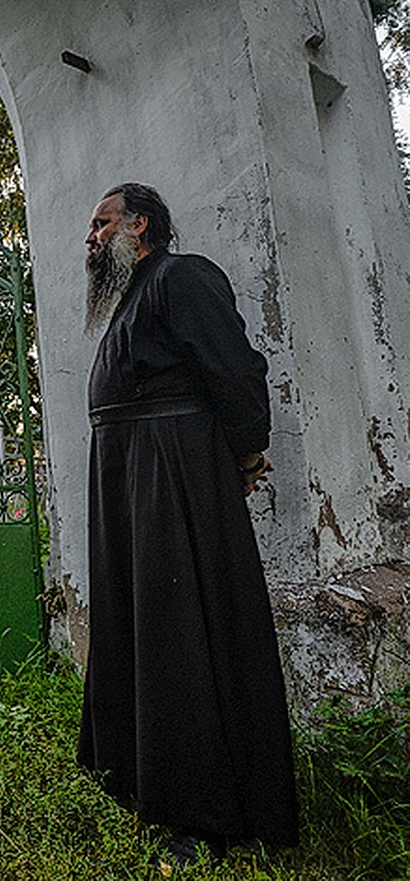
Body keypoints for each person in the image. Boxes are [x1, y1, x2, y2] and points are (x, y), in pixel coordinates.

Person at [76, 183, 299, 867]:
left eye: (102, 223)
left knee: (181, 638)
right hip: (131, 477)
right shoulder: (132, 297)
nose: (90, 237)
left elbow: (233, 368)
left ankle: (205, 819)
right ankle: (147, 782)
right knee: (144, 630)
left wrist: (242, 451)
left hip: (171, 476)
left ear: (139, 224)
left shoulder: (180, 276)